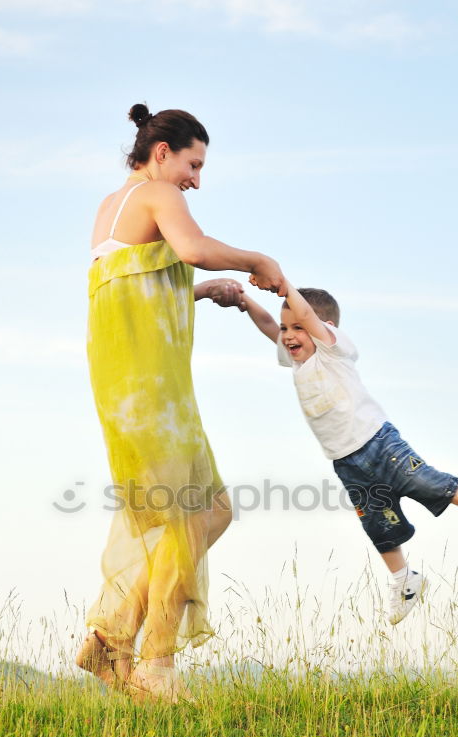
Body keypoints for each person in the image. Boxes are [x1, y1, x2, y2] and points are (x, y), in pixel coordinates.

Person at [76, 103, 286, 703]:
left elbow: (131, 289)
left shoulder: (110, 207)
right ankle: (153, 663)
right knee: (202, 512)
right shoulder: (158, 194)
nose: (197, 179)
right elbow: (190, 245)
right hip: (152, 389)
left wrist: (199, 290)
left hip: (126, 386)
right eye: (194, 163)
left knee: (194, 512)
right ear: (163, 152)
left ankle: (113, 639)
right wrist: (254, 262)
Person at [226, 280, 458, 624]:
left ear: (324, 329)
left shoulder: (333, 350)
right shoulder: (297, 361)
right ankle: (404, 580)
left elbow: (306, 314)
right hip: (346, 461)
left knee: (424, 481)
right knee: (377, 523)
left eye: (298, 328)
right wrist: (245, 302)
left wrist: (282, 286)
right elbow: (268, 326)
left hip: (378, 441)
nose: (289, 336)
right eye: (285, 329)